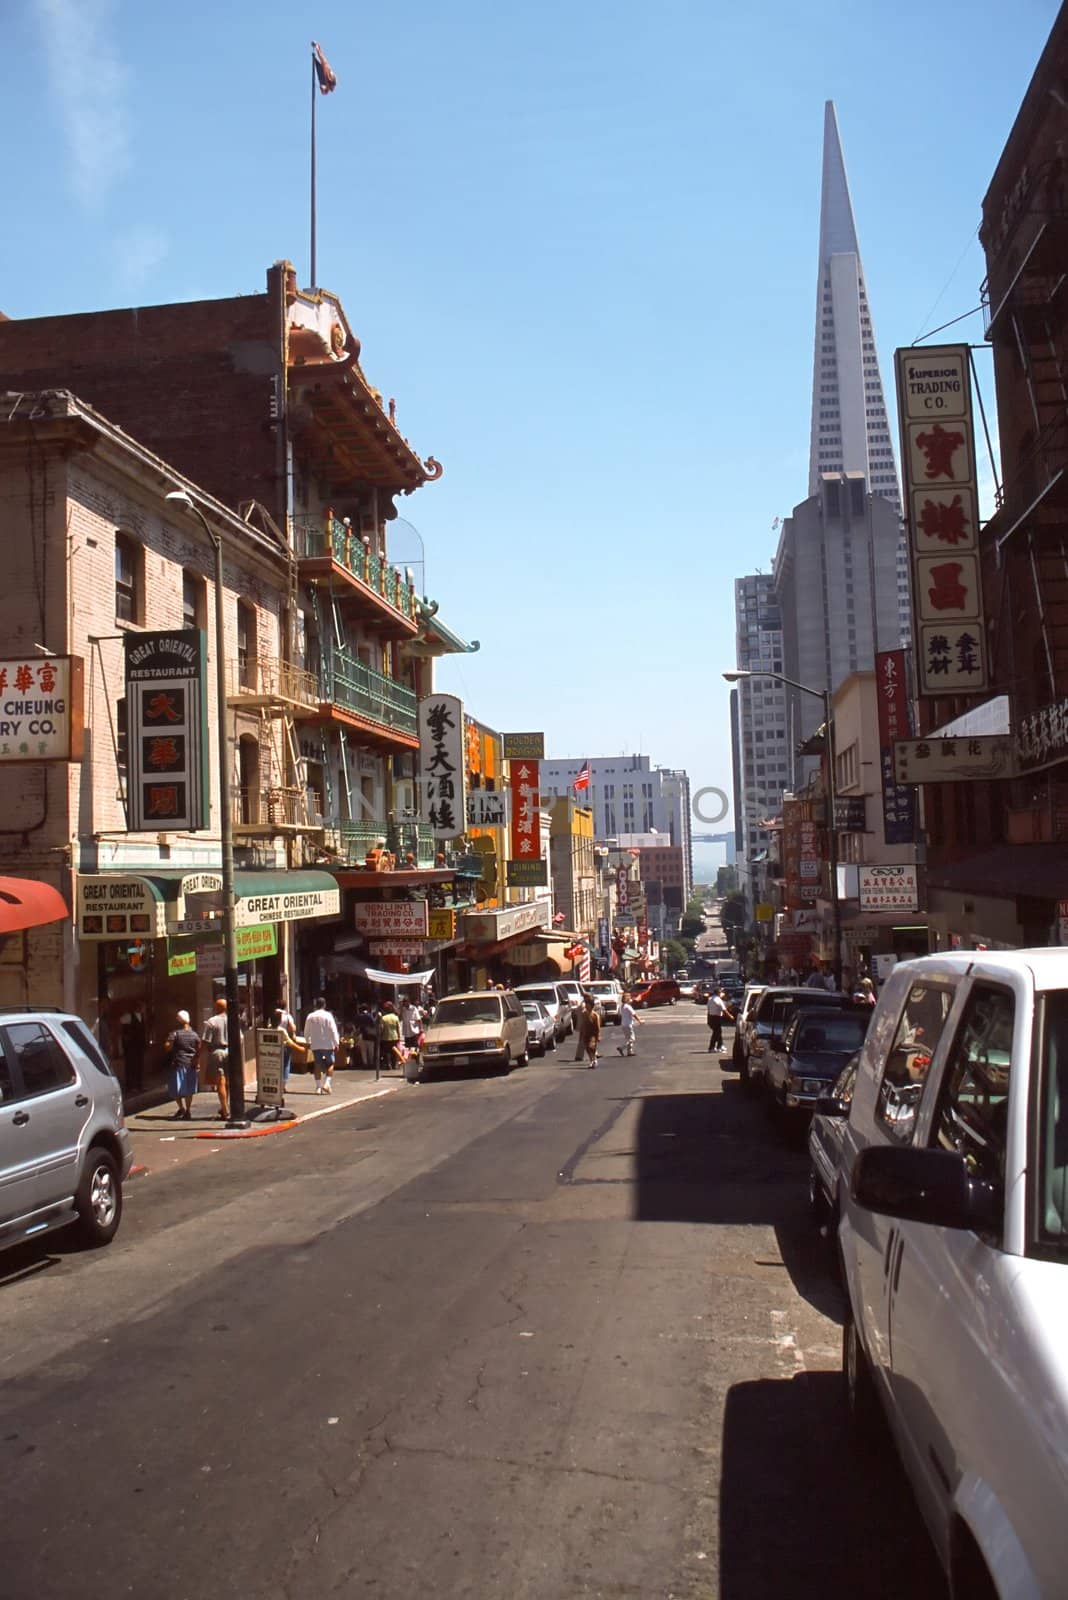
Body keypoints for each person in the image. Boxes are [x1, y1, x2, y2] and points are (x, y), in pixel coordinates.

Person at [164, 1009, 201, 1120]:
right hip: (191, 1064)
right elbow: (199, 1048)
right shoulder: (194, 1034)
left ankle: (181, 1108)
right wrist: (197, 1061)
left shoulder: (175, 1034)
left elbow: (167, 1047)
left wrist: (167, 1041)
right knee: (189, 1089)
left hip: (178, 1063)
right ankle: (188, 1110)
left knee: (175, 1088)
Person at [201, 998, 231, 1120]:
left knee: (220, 1082)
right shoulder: (232, 1020)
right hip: (230, 1051)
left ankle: (225, 1111)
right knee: (228, 1081)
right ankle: (225, 1106)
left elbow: (205, 1041)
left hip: (217, 1052)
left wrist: (198, 1055)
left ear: (217, 1007)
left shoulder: (211, 1022)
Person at [304, 996, 340, 1094]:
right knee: (330, 1063)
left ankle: (318, 1087)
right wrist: (336, 1042)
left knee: (317, 1065)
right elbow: (333, 1030)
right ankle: (327, 1083)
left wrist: (308, 1041)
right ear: (324, 1005)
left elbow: (306, 1031)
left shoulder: (310, 1016)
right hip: (328, 1044)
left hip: (315, 1044)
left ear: (316, 1005)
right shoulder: (328, 1016)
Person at [577, 994, 601, 1069]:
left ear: (592, 1005)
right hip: (586, 1033)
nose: (587, 1006)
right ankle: (592, 1060)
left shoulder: (595, 1015)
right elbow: (583, 1025)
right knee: (587, 1048)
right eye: (586, 1005)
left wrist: (598, 1035)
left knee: (592, 1047)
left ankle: (594, 1060)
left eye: (589, 1005)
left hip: (593, 1034)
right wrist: (581, 1033)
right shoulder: (584, 1014)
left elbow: (598, 1026)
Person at [378, 1000, 403, 1072]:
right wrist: (399, 1037)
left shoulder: (383, 1018)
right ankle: (394, 1064)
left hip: (386, 1037)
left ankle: (389, 1064)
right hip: (394, 1037)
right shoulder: (396, 1017)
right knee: (394, 1051)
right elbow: (398, 1028)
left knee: (387, 1051)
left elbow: (381, 1028)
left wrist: (380, 1036)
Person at [355, 1000, 379, 1071]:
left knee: (363, 1051)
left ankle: (365, 1063)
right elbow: (373, 1024)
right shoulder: (369, 1015)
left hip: (362, 1035)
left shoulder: (358, 1016)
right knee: (371, 1050)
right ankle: (371, 1063)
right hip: (370, 1036)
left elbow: (356, 1025)